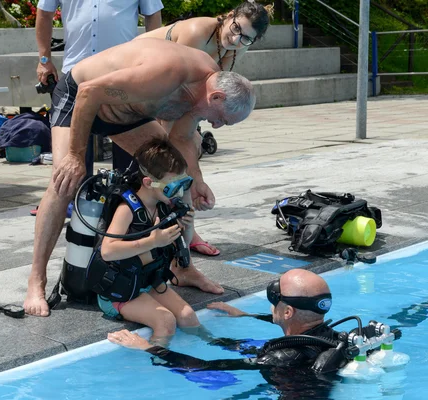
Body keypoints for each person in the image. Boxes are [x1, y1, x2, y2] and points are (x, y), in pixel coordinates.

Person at [24, 38, 255, 316]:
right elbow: (89, 91)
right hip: (79, 98)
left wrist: (197, 180)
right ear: (215, 97)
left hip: (126, 114)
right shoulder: (167, 74)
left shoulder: (204, 88)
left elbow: (181, 138)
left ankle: (183, 268)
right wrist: (75, 156)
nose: (216, 126)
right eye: (220, 119)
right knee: (65, 180)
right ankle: (36, 281)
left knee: (176, 175)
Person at [137, 1, 273, 257]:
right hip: (148, 86)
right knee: (169, 159)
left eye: (246, 38)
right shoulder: (198, 31)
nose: (236, 38)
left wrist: (192, 135)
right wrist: (183, 136)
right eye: (235, 28)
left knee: (187, 154)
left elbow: (201, 95)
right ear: (229, 16)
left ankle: (182, 233)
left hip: (174, 95)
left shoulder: (236, 48)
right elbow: (173, 88)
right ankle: (168, 233)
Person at [108, 269, 340, 398]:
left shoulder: (282, 358)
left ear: (288, 312)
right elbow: (292, 325)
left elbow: (204, 367)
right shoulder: (333, 337)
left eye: (274, 298)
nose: (272, 302)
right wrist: (245, 315)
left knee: (214, 380)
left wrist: (146, 347)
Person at [35, 0, 163, 178]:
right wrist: (44, 60)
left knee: (130, 155)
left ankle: (127, 200)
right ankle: (77, 199)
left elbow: (153, 15)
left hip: (123, 73)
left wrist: (151, 61)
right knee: (70, 159)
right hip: (75, 76)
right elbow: (44, 13)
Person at [91, 138, 201, 345]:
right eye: (172, 187)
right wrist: (152, 242)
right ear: (149, 183)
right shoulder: (127, 209)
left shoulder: (163, 205)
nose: (178, 193)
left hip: (148, 282)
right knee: (165, 320)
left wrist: (186, 226)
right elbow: (108, 251)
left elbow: (180, 250)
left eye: (183, 185)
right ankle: (157, 362)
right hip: (119, 292)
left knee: (188, 316)